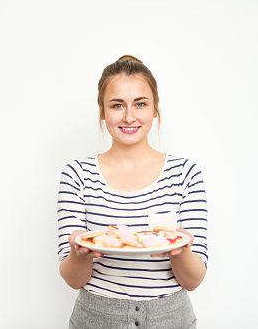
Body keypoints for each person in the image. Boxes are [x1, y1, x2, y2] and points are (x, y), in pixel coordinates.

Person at [57, 55, 208, 329]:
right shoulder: (77, 174)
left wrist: (180, 248)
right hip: (96, 319)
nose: (129, 116)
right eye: (117, 105)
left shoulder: (185, 173)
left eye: (140, 103)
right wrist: (79, 251)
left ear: (155, 109)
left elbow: (194, 280)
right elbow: (72, 279)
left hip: (171, 319)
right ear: (102, 110)